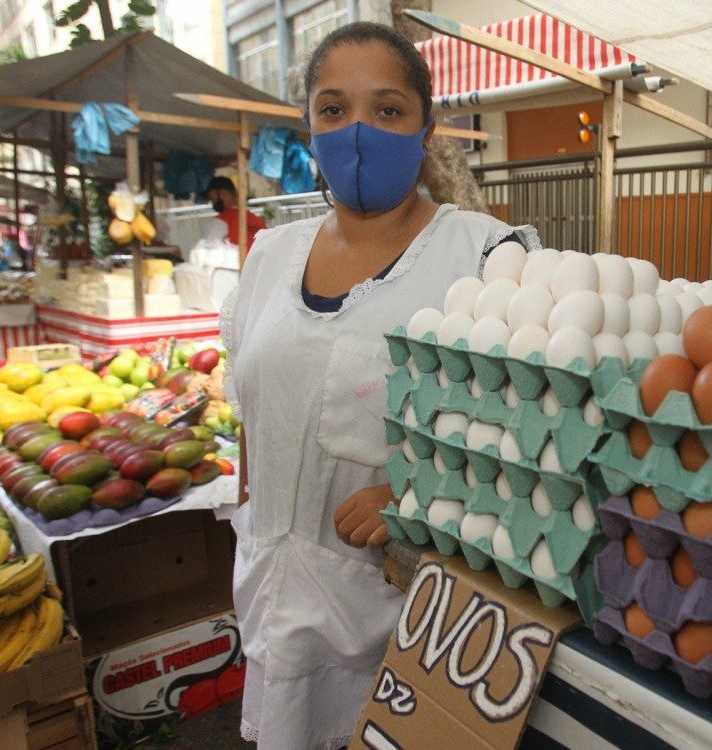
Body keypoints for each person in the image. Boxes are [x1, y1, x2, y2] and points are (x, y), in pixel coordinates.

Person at [220, 22, 538, 749]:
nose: (358, 131)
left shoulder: (487, 258)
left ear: (426, 130)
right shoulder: (270, 256)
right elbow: (254, 412)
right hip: (276, 601)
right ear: (308, 127)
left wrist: (423, 491)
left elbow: (536, 439)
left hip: (403, 623)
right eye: (333, 110)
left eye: (387, 110)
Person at [204, 176, 267, 247]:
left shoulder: (222, 220)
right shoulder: (256, 220)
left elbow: (209, 248)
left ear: (222, 194)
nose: (213, 204)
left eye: (213, 199)